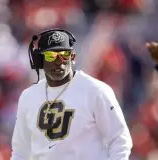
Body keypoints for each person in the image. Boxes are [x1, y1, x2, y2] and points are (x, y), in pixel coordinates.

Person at [10, 28, 132, 160]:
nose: (58, 62)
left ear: (73, 57)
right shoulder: (29, 96)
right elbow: (20, 151)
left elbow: (120, 140)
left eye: (64, 55)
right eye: (51, 56)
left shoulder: (96, 91)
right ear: (40, 59)